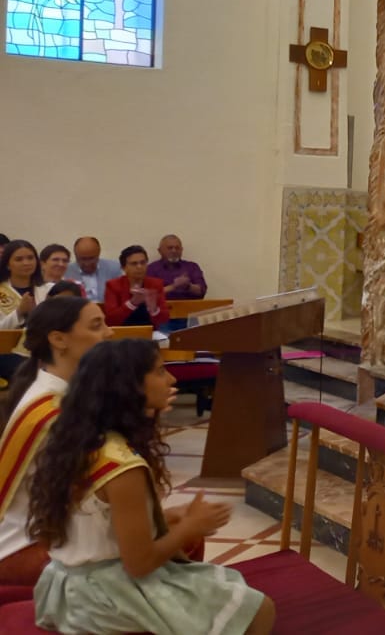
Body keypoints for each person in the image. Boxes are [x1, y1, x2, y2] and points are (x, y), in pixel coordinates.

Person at [26, 339, 274, 635]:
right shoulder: (123, 467)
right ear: (129, 388)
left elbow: (98, 527)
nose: (172, 379)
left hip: (64, 588)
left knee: (219, 584)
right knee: (258, 608)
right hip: (106, 597)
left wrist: (168, 517)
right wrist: (190, 527)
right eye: (159, 371)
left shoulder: (76, 443)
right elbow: (140, 564)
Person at [0, 296, 109, 585]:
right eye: (96, 326)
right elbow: (94, 490)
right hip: (25, 542)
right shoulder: (52, 411)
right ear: (59, 339)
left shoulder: (62, 393)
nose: (109, 333)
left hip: (50, 528)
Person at [104, 244, 171, 330]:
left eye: (143, 263)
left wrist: (154, 309)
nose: (139, 267)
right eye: (134, 264)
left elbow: (164, 319)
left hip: (150, 332)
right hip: (121, 332)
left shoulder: (155, 284)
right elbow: (110, 320)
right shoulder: (113, 285)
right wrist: (132, 303)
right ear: (124, 268)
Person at [0, 240, 46, 333]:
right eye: (19, 259)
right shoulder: (2, 290)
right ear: (7, 264)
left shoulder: (49, 289)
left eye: (30, 258)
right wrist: (19, 312)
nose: (26, 263)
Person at [147, 234, 208, 300]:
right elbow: (148, 295)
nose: (174, 251)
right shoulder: (151, 269)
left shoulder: (192, 267)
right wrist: (173, 286)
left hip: (189, 305)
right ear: (160, 251)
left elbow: (202, 290)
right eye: (170, 248)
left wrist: (188, 286)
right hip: (163, 306)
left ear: (181, 250)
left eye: (177, 248)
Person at [70, 236, 121, 302]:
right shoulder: (66, 271)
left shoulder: (114, 268)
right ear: (75, 255)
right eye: (83, 259)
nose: (87, 263)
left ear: (98, 253)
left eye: (91, 258)